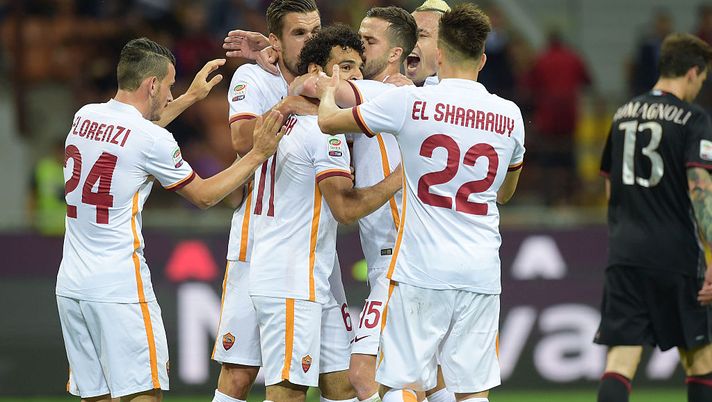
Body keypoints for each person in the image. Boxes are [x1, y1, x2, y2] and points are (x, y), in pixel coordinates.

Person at [55, 37, 285, 402]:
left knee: (96, 397)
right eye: (170, 85)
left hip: (71, 287)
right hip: (120, 288)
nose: (169, 93)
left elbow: (138, 136)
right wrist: (257, 154)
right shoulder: (149, 139)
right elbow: (207, 196)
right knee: (144, 396)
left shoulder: (85, 116)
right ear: (151, 84)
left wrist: (191, 97)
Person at [316, 4, 524, 402]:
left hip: (419, 265)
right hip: (481, 268)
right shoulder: (510, 115)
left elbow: (329, 121)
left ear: (440, 54)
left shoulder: (409, 102)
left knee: (402, 385)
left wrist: (327, 92)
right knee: (470, 389)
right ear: (482, 58)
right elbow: (505, 192)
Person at [210, 2, 355, 402]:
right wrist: (287, 103)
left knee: (339, 377)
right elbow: (242, 141)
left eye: (315, 31)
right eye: (299, 34)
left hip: (315, 254)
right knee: (240, 374)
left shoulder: (331, 84)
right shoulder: (254, 77)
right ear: (275, 40)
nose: (312, 41)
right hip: (256, 247)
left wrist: (302, 99)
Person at [594, 33, 712, 402]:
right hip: (677, 255)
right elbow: (700, 189)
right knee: (700, 359)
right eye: (703, 79)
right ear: (693, 72)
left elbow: (611, 189)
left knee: (620, 360)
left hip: (626, 255)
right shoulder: (693, 119)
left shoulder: (623, 113)